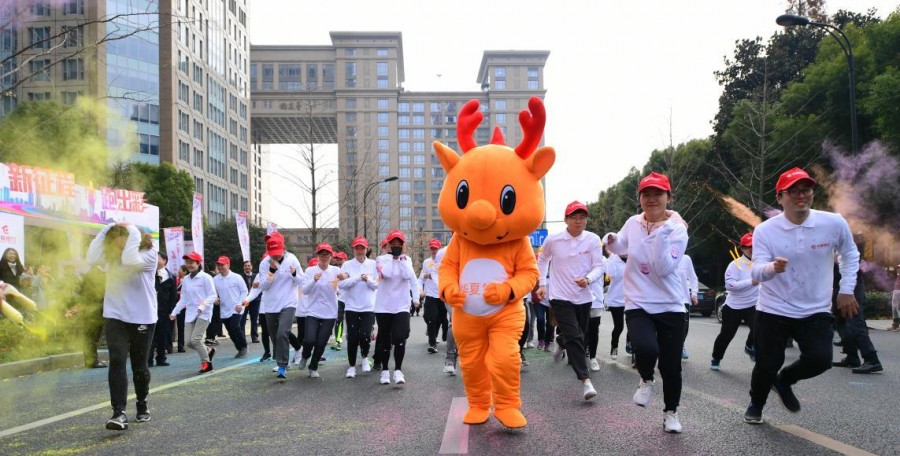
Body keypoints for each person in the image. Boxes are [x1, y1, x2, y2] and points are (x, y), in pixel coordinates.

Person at [745, 167, 859, 425]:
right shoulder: (765, 231)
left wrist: (846, 289)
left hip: (815, 307)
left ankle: (784, 380)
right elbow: (756, 269)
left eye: (806, 190)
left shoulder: (833, 223)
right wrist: (772, 268)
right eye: (793, 191)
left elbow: (850, 255)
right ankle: (756, 403)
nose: (801, 195)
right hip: (774, 306)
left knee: (821, 360)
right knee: (767, 363)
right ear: (780, 197)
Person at [605, 171, 689, 433]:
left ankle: (671, 413)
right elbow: (620, 248)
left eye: (658, 194)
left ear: (668, 197)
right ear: (640, 198)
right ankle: (646, 379)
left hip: (671, 304)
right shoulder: (633, 222)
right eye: (646, 194)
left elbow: (663, 268)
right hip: (638, 301)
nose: (652, 199)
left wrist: (662, 234)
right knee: (645, 347)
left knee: (671, 367)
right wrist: (612, 239)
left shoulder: (678, 230)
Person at [86, 223, 157, 431]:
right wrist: (106, 228)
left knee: (139, 365)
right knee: (116, 360)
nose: (118, 245)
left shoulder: (149, 254)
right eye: (114, 241)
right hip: (115, 314)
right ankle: (119, 413)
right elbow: (91, 259)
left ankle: (142, 402)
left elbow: (129, 259)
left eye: (122, 239)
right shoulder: (111, 256)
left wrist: (132, 229)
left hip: (142, 316)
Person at [537, 201, 606, 401]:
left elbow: (599, 266)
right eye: (574, 217)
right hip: (560, 296)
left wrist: (588, 279)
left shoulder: (593, 240)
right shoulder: (553, 240)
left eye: (582, 217)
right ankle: (585, 380)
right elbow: (542, 260)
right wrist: (542, 284)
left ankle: (560, 342)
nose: (578, 221)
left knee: (579, 336)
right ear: (566, 219)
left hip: (583, 297)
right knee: (576, 337)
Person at [244, 232, 304, 379]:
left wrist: (294, 274)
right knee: (274, 335)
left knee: (282, 332)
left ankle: (282, 365)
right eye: (273, 254)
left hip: (289, 303)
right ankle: (284, 361)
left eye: (278, 254)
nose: (275, 257)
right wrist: (271, 272)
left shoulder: (292, 259)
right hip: (271, 306)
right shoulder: (265, 263)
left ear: (283, 249)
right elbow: (263, 286)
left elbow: (301, 281)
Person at [374, 230, 419, 385]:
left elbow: (409, 277)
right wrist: (391, 257)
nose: (396, 246)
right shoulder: (380, 259)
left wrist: (416, 299)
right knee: (385, 340)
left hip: (402, 305)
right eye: (393, 244)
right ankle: (385, 370)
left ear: (403, 245)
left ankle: (398, 370)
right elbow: (386, 274)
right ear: (388, 245)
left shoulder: (407, 260)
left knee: (400, 337)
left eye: (399, 244)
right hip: (384, 306)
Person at [711, 233, 758, 371]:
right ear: (742, 248)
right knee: (727, 335)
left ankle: (750, 346)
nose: (751, 249)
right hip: (734, 306)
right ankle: (716, 357)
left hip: (754, 304)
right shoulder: (735, 264)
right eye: (748, 247)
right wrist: (751, 282)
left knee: (759, 329)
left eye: (754, 246)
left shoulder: (761, 264)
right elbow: (729, 286)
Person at [296, 243, 341, 378]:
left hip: (329, 312)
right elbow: (305, 290)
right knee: (309, 340)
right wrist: (314, 280)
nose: (324, 256)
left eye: (327, 254)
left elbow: (341, 285)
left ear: (331, 256)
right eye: (322, 254)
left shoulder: (335, 271)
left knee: (321, 343)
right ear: (317, 256)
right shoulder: (310, 271)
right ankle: (305, 356)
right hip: (313, 311)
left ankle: (313, 367)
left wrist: (341, 284)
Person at [831, 254, 882, 374]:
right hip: (838, 284)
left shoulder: (845, 240)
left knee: (854, 321)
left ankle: (872, 359)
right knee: (841, 321)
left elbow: (853, 261)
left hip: (852, 284)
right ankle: (852, 357)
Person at [169, 252, 218, 374]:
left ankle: (207, 364)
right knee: (188, 342)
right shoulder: (185, 279)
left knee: (195, 340)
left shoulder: (206, 277)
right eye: (187, 262)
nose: (189, 265)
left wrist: (203, 305)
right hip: (190, 313)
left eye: (192, 262)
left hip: (204, 312)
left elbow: (213, 295)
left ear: (198, 263)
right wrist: (174, 312)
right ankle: (208, 350)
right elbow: (184, 298)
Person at [338, 237, 378, 378]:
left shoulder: (373, 264)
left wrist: (368, 280)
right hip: (352, 307)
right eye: (357, 248)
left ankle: (365, 358)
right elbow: (340, 285)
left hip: (368, 306)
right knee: (353, 337)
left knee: (365, 335)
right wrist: (356, 279)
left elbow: (378, 285)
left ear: (366, 249)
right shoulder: (347, 265)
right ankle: (351, 366)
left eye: (362, 248)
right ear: (353, 249)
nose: (360, 251)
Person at [67, 265, 108, 368]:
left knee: (89, 336)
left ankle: (90, 360)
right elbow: (102, 293)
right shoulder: (98, 274)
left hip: (88, 310)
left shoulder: (88, 274)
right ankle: (92, 361)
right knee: (92, 337)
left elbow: (80, 292)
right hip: (95, 310)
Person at [213, 256, 249, 358]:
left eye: (222, 265)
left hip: (236, 307)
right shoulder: (215, 279)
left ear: (228, 265)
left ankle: (244, 346)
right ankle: (239, 348)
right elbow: (212, 293)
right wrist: (215, 299)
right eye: (218, 265)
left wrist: (240, 304)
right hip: (224, 309)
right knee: (230, 331)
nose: (220, 267)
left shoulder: (237, 277)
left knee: (235, 327)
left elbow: (244, 291)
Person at [149, 253, 178, 367]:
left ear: (164, 260)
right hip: (151, 309)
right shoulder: (149, 274)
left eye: (157, 258)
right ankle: (148, 359)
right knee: (150, 336)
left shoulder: (171, 276)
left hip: (165, 311)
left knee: (163, 335)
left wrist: (172, 311)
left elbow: (173, 296)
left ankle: (161, 358)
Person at [420, 239, 447, 354]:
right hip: (430, 294)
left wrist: (433, 276)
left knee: (442, 319)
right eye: (432, 248)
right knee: (429, 318)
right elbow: (421, 276)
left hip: (442, 295)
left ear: (439, 249)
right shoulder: (426, 262)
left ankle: (443, 334)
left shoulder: (445, 261)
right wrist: (424, 277)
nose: (434, 251)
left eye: (436, 248)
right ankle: (432, 344)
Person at [602, 242, 626, 360]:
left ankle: (632, 346)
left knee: (634, 326)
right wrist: (611, 255)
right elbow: (610, 273)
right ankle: (614, 346)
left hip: (632, 299)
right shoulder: (613, 260)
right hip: (616, 299)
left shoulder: (634, 259)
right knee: (619, 326)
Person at [677, 254, 698, 360]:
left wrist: (694, 293)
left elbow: (693, 278)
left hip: (684, 299)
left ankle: (680, 346)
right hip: (668, 300)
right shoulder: (662, 255)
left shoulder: (686, 259)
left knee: (684, 326)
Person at [239, 260, 261, 344]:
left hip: (255, 301)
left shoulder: (256, 276)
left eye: (249, 265)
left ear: (251, 267)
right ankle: (242, 337)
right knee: (242, 320)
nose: (247, 267)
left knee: (254, 319)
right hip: (244, 301)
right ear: (243, 267)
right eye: (245, 265)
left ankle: (254, 337)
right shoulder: (240, 277)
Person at [331, 251, 348, 351]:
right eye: (337, 259)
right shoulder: (335, 270)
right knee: (339, 321)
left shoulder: (350, 269)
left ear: (345, 259)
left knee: (351, 322)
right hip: (340, 300)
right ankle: (338, 341)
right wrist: (336, 290)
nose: (339, 261)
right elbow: (333, 284)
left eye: (341, 259)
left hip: (351, 300)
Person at [173, 265, 188, 353]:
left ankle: (181, 345)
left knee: (182, 326)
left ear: (185, 272)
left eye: (180, 270)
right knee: (177, 326)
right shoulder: (176, 280)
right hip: (176, 306)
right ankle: (171, 346)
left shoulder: (187, 280)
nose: (178, 271)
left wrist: (179, 293)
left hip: (185, 307)